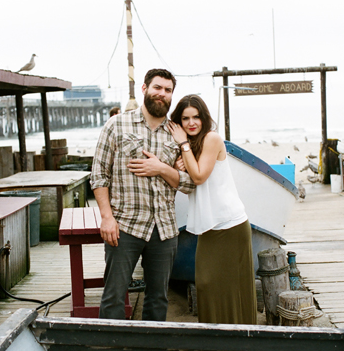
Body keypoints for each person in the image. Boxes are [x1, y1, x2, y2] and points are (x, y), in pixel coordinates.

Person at [90, 69, 195, 321]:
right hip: (124, 226)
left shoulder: (177, 133)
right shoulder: (116, 125)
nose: (162, 94)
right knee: (114, 296)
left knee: (158, 297)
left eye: (168, 90)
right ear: (144, 89)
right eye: (157, 87)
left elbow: (190, 183)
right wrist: (106, 217)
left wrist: (162, 168)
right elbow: (99, 175)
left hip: (164, 229)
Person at [167, 94, 257, 325]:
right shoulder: (193, 147)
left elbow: (198, 177)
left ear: (204, 117)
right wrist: (180, 165)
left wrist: (183, 145)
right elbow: (191, 189)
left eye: (196, 116)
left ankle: (239, 338)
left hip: (230, 225)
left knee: (231, 286)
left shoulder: (212, 138)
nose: (191, 123)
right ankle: (218, 338)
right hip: (209, 226)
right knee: (207, 284)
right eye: (185, 118)